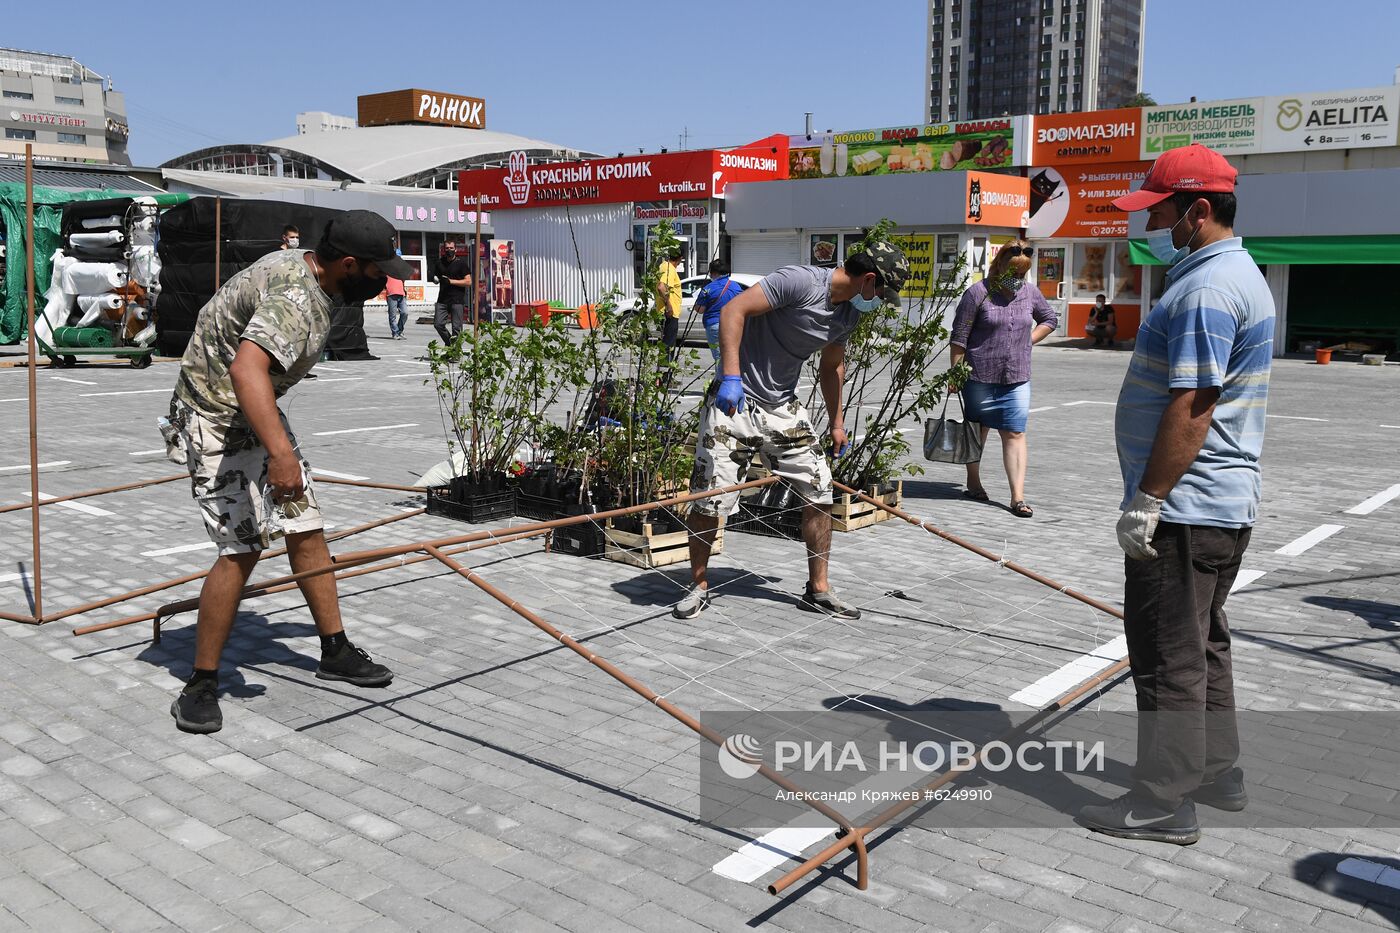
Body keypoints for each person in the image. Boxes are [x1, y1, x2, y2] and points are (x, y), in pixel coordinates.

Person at [1078, 143, 1274, 845]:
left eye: (1159, 211)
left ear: (1197, 210)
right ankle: (1217, 772)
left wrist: (1148, 499)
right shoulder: (1236, 274)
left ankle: (1163, 801)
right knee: (1205, 643)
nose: (1152, 225)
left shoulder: (1205, 290)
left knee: (1168, 654)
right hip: (1222, 504)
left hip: (1186, 508)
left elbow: (1193, 404)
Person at [165, 210, 415, 734]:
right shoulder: (296, 301)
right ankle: (202, 683)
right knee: (242, 546)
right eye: (377, 272)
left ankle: (334, 650)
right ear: (349, 264)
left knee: (305, 526)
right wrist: (280, 455)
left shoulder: (304, 268)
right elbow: (245, 368)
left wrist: (276, 448)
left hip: (252, 411)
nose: (383, 282)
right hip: (213, 416)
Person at [673, 241, 910, 622]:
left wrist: (836, 424)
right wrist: (731, 377)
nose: (881, 301)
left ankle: (818, 590)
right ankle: (697, 585)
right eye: (882, 292)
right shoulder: (798, 282)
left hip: (782, 407)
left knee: (819, 488)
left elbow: (832, 366)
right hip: (735, 403)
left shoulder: (848, 314)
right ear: (869, 280)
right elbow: (734, 310)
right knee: (709, 497)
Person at [949, 239, 1058, 518]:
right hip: (979, 374)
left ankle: (1017, 497)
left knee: (1015, 432)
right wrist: (955, 373)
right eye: (1014, 273)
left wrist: (1029, 340)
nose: (1018, 279)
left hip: (1018, 376)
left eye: (1022, 274)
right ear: (1000, 267)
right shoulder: (977, 293)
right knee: (978, 430)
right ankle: (974, 482)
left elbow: (1049, 319)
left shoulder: (1030, 293)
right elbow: (959, 337)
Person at [694, 258, 743, 381]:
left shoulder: (708, 288)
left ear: (714, 273)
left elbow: (699, 309)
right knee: (733, 355)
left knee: (719, 357)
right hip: (733, 326)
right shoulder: (736, 287)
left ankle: (721, 384)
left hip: (714, 325)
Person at [432, 242, 472, 343]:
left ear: (455, 249)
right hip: (442, 299)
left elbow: (468, 282)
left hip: (457, 300)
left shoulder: (461, 264)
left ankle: (456, 353)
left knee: (457, 329)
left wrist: (451, 281)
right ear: (444, 250)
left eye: (451, 248)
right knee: (438, 324)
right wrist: (434, 279)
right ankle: (450, 344)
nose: (449, 250)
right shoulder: (440, 263)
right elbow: (436, 276)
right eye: (447, 248)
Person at [657, 249, 684, 351]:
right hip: (669, 313)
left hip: (663, 311)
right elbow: (661, 287)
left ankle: (663, 365)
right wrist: (669, 305)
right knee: (668, 346)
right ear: (680, 258)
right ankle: (665, 365)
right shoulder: (670, 269)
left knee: (664, 345)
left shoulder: (663, 266)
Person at [385, 264, 408, 341]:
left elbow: (403, 281)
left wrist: (404, 290)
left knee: (405, 313)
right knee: (392, 316)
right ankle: (395, 333)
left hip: (401, 294)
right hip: (391, 294)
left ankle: (399, 331)